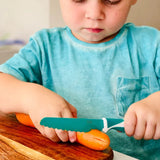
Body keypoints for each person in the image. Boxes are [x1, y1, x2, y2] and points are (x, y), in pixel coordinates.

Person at [0, 0, 160, 159]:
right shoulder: (44, 47)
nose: (94, 14)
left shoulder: (152, 44)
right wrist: (31, 97)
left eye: (111, 0)